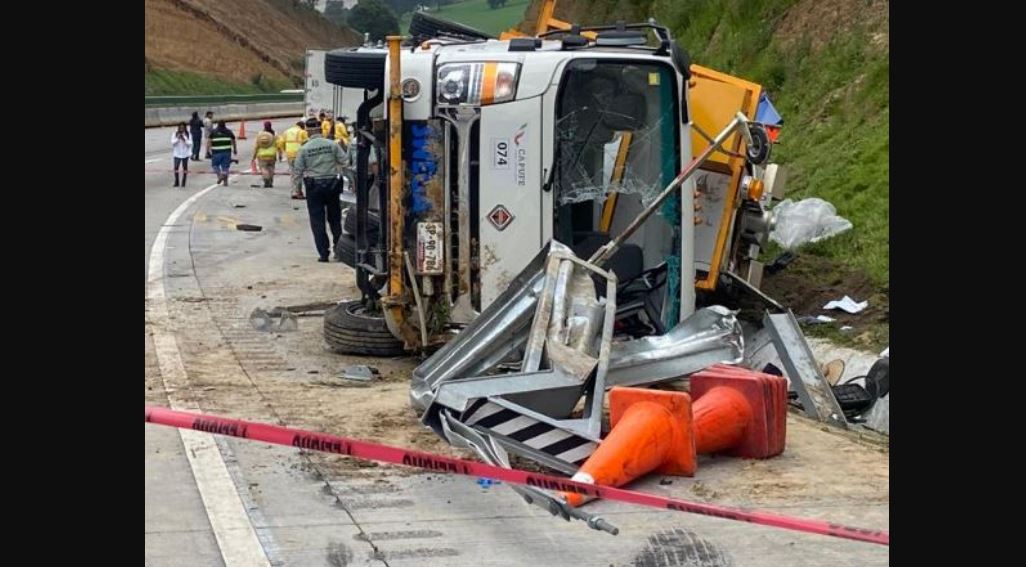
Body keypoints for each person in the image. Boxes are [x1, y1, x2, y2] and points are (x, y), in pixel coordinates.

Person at [292, 117, 348, 262]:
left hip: (314, 187)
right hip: (332, 185)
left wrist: (296, 190)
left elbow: (297, 171)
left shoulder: (304, 149)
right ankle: (339, 250)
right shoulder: (332, 145)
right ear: (320, 130)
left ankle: (324, 254)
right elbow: (345, 161)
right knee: (335, 219)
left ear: (308, 132)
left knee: (317, 221)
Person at [278, 120, 309, 199]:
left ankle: (294, 191)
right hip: (299, 156)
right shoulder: (302, 132)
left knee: (293, 174)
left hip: (289, 155)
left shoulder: (286, 132)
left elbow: (280, 143)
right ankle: (297, 192)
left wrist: (285, 151)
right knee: (298, 174)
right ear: (302, 126)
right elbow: (307, 144)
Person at [251, 121, 281, 188]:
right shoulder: (275, 134)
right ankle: (270, 182)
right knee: (271, 168)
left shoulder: (260, 134)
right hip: (272, 155)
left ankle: (266, 179)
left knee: (263, 168)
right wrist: (280, 154)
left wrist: (254, 156)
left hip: (262, 155)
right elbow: (279, 145)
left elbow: (256, 146)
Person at [207, 120, 237, 186]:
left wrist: (207, 151)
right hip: (227, 152)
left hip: (216, 152)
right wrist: (235, 149)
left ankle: (220, 175)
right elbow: (233, 140)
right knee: (225, 167)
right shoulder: (229, 131)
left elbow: (209, 141)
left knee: (215, 165)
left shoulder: (213, 132)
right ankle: (225, 182)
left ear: (218, 125)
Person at [171, 122, 193, 188]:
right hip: (177, 154)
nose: (181, 129)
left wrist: (184, 139)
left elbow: (190, 144)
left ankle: (183, 182)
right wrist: (178, 138)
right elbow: (173, 143)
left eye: (183, 128)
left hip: (185, 154)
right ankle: (176, 181)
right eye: (180, 128)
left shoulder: (188, 134)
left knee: (185, 168)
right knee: (176, 167)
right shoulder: (175, 134)